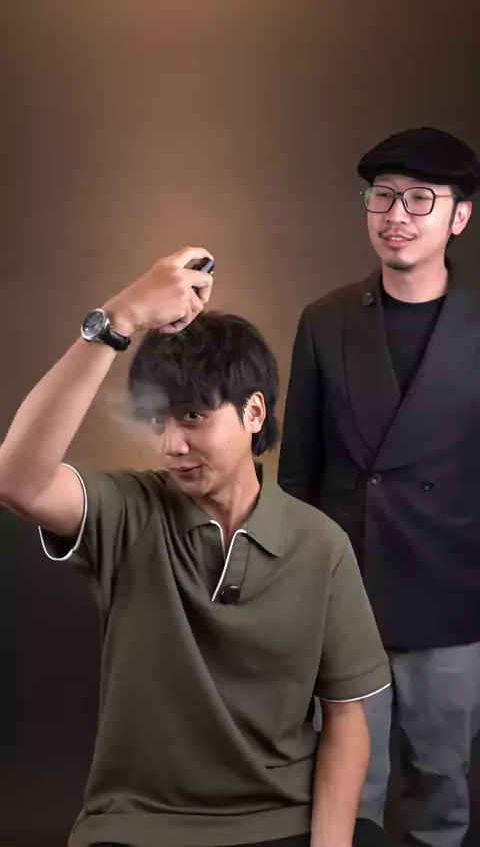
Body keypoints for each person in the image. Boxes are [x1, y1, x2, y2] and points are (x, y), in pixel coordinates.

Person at [0, 246, 391, 847]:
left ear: (253, 412)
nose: (171, 446)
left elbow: (345, 718)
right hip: (138, 827)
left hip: (283, 820)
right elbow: (16, 480)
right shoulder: (128, 512)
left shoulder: (321, 545)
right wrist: (119, 318)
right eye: (159, 421)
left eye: (192, 417)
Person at [278, 127, 480, 847]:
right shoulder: (324, 320)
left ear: (459, 216)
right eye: (383, 196)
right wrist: (296, 593)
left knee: (439, 784)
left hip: (452, 599)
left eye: (420, 199)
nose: (396, 214)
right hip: (344, 593)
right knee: (344, 788)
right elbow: (296, 476)